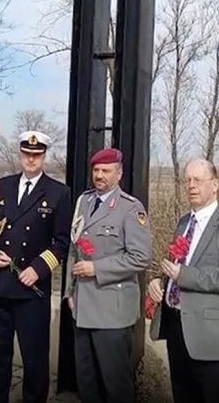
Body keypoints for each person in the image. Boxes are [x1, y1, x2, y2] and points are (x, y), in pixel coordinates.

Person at [146, 158, 219, 403]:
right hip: (178, 331)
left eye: (198, 180)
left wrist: (184, 276)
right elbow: (176, 266)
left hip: (212, 339)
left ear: (214, 185)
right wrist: (159, 283)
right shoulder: (184, 222)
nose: (191, 186)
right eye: (187, 180)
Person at [0, 130, 71, 403]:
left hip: (32, 290)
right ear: (20, 155)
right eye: (27, 154)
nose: (31, 160)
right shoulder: (1, 186)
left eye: (37, 155)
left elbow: (62, 242)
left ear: (44, 156)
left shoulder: (58, 192)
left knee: (34, 360)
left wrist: (38, 268)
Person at [65, 147, 151, 403]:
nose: (100, 176)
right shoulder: (84, 201)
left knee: (116, 385)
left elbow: (141, 257)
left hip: (111, 311)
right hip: (82, 306)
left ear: (119, 173)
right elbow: (74, 247)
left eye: (106, 171)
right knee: (87, 383)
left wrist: (97, 268)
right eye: (96, 170)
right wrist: (70, 291)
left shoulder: (130, 208)